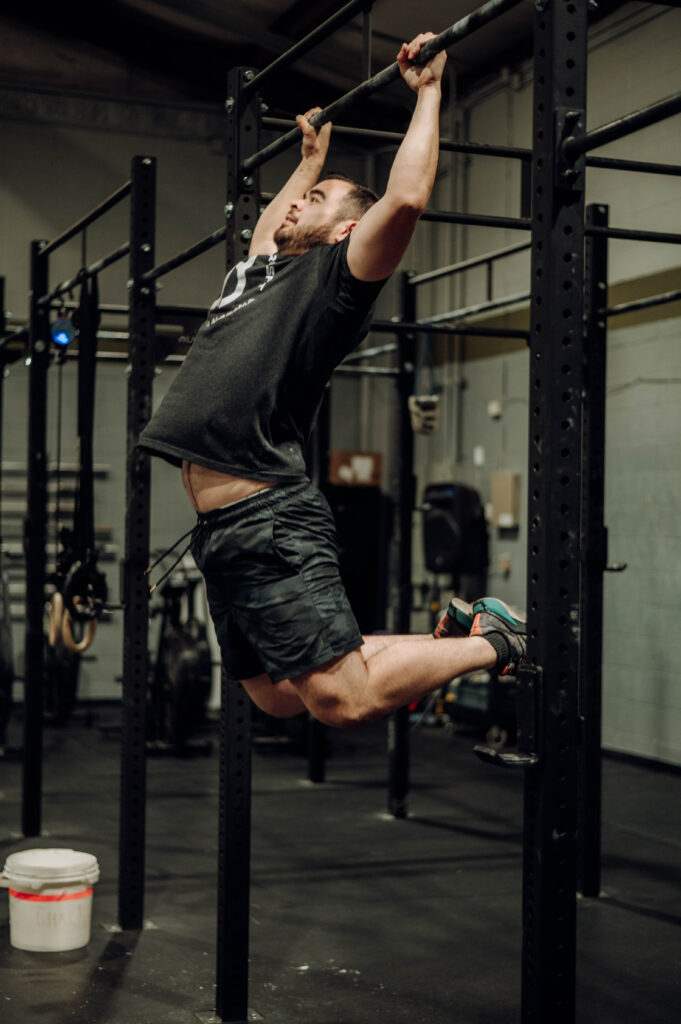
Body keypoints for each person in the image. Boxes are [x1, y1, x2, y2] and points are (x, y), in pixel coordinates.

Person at [139, 33, 526, 729]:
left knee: (340, 702)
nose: (293, 206)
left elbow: (404, 200)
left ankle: (499, 643)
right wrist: (308, 163)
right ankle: (457, 637)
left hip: (267, 520)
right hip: (220, 531)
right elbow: (266, 228)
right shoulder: (257, 275)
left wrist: (429, 92)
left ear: (349, 230)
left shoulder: (333, 282)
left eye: (315, 198)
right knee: (275, 695)